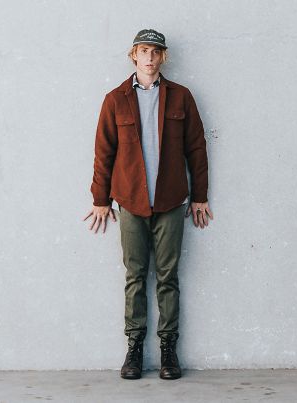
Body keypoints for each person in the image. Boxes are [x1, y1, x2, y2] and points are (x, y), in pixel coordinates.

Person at [84, 28, 213, 380]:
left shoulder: (181, 97)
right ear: (134, 56)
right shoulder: (115, 99)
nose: (150, 58)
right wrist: (100, 199)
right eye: (144, 51)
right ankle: (135, 347)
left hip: (170, 200)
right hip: (130, 202)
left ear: (163, 57)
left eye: (156, 52)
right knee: (135, 275)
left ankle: (169, 349)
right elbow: (103, 152)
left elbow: (196, 148)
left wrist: (199, 195)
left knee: (168, 276)